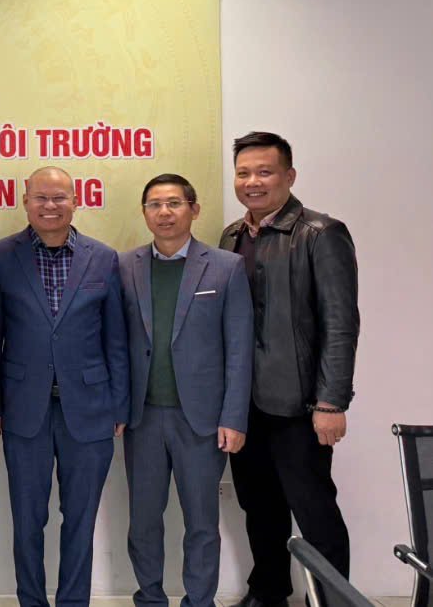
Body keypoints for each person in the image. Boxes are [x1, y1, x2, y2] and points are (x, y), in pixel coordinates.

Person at [220, 132, 359, 607]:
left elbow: (341, 323)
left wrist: (331, 402)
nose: (252, 182)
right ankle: (268, 593)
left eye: (265, 172)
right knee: (259, 507)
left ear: (289, 176)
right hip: (244, 405)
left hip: (300, 405)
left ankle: (333, 600)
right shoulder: (231, 237)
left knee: (315, 511)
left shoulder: (320, 233)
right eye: (243, 173)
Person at [0, 166, 128, 607]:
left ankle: (73, 602)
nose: (50, 206)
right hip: (23, 408)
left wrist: (119, 406)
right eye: (41, 197)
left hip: (90, 408)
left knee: (80, 520)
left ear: (75, 202)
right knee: (27, 520)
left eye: (59, 197)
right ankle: (31, 600)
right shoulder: (0, 256)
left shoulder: (103, 258)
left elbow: (116, 339)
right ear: (25, 201)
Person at [119, 173, 253, 607]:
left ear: (194, 209)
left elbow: (239, 349)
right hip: (142, 418)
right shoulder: (125, 266)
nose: (164, 212)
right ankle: (150, 598)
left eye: (174, 203)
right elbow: (114, 343)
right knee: (143, 521)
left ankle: (200, 601)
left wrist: (234, 417)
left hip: (202, 421)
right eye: (155, 204)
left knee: (202, 522)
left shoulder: (226, 267)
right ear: (144, 212)